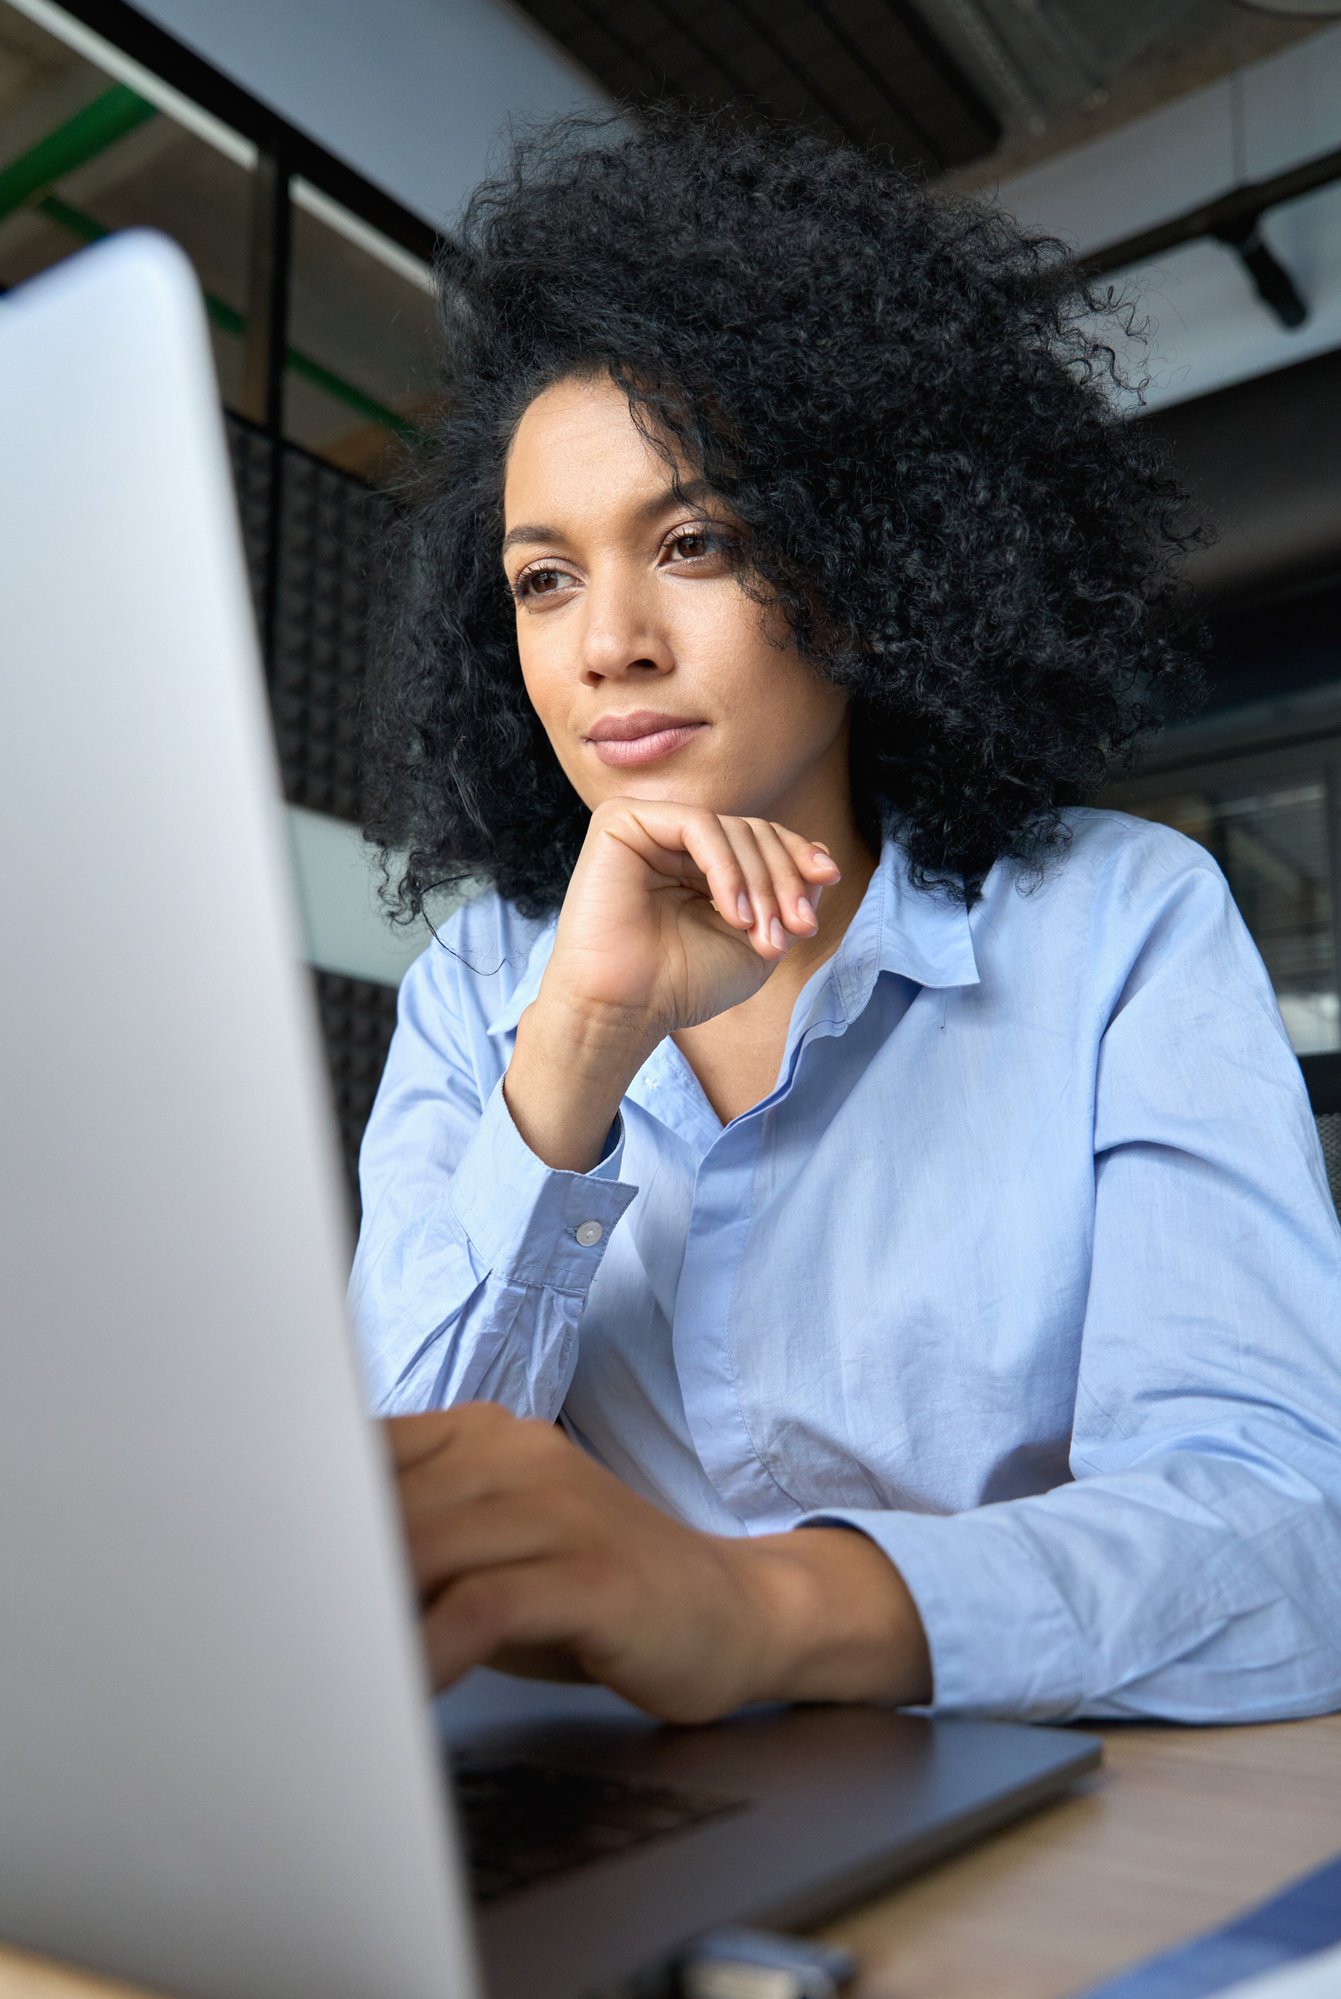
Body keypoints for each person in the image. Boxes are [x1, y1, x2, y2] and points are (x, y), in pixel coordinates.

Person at [350, 108, 1341, 1727]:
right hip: (595, 1800)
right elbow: (392, 1538)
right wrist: (582, 1044)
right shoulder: (481, 988)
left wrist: (757, 1606)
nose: (607, 643)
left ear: (870, 563)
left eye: (694, 543)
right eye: (542, 578)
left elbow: (1288, 1535)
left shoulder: (1114, 928)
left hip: (1038, 1795)